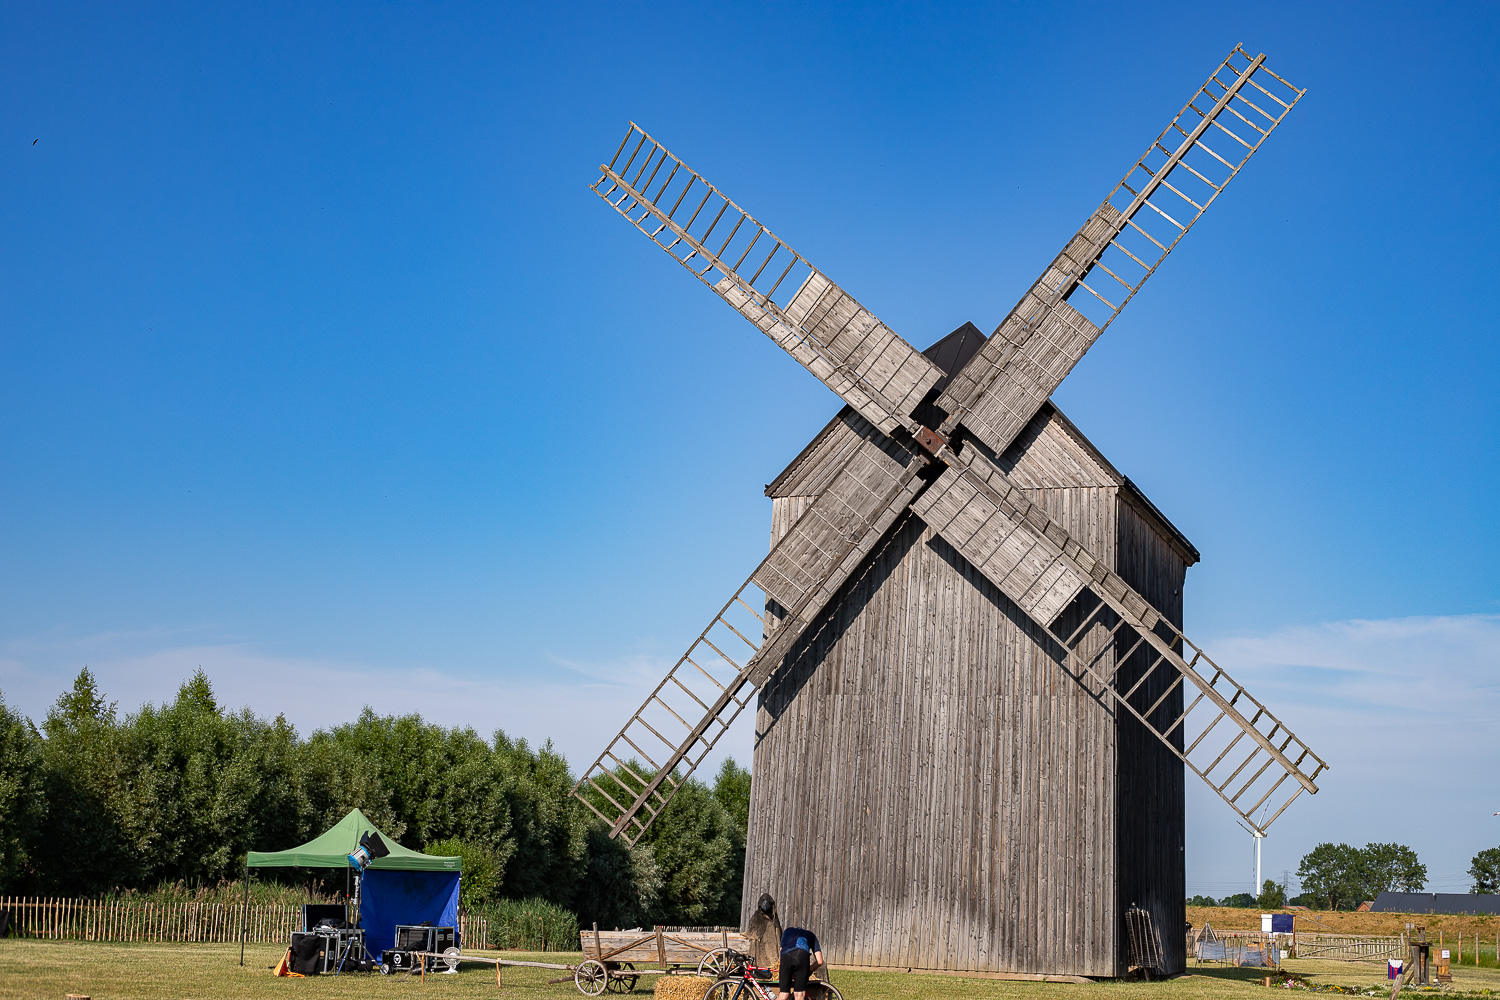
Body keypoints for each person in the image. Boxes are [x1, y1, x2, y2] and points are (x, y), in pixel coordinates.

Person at [776, 924, 823, 1000]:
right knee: (799, 994)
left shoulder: (787, 931)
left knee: (783, 994)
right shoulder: (811, 935)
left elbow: (780, 954)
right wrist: (809, 970)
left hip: (786, 956)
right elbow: (820, 961)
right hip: (802, 955)